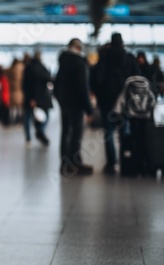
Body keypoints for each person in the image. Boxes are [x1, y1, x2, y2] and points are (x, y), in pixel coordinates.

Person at [91, 33, 140, 174]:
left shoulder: (104, 57)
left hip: (107, 101)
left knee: (109, 133)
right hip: (125, 101)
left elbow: (97, 78)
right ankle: (125, 158)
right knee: (125, 130)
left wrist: (100, 95)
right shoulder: (129, 58)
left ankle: (111, 162)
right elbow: (138, 77)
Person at [54, 38, 95, 176]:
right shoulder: (79, 62)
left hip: (64, 103)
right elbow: (82, 87)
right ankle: (75, 164)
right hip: (76, 104)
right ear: (78, 47)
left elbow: (56, 83)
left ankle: (64, 164)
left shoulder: (62, 61)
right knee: (76, 134)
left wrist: (60, 100)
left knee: (66, 132)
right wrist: (89, 109)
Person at [22, 51, 53, 147]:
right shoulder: (42, 68)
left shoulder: (28, 68)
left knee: (28, 117)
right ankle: (40, 131)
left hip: (31, 98)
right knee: (45, 117)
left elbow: (25, 85)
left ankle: (29, 138)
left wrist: (30, 97)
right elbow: (49, 79)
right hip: (42, 98)